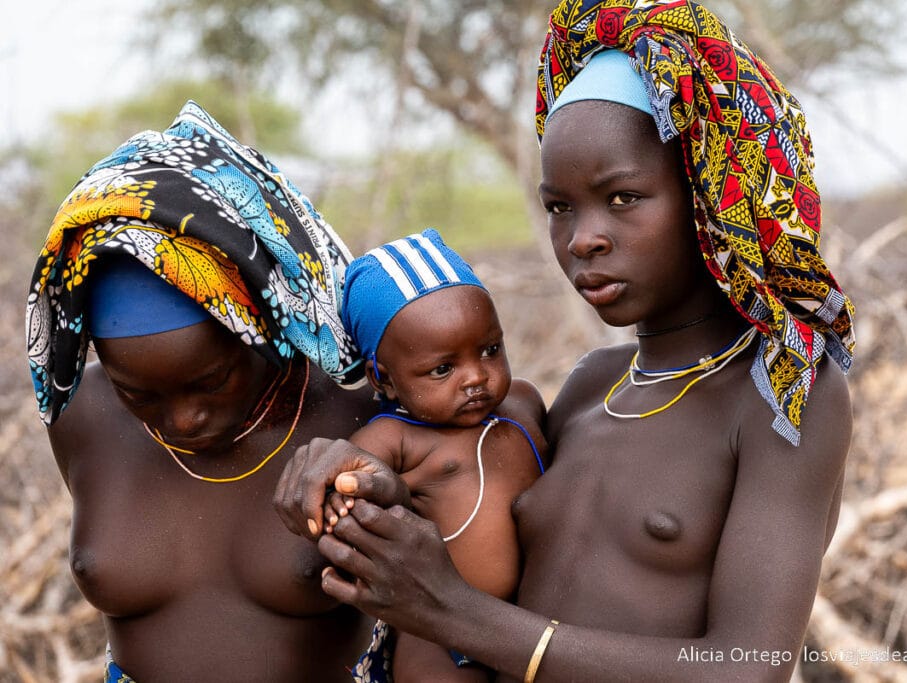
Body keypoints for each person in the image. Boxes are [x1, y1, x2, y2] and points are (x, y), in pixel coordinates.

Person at [275, 1, 856, 680]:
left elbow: (746, 667)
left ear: (708, 190)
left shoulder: (784, 394)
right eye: (559, 207)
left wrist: (453, 611)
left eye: (623, 197)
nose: (582, 239)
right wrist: (355, 477)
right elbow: (458, 501)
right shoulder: (588, 387)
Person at [25, 101, 380, 682]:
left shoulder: (355, 410)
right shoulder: (81, 416)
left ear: (257, 326)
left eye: (210, 382)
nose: (183, 420)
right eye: (137, 394)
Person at [302, 228, 547, 682]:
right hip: (440, 636)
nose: (477, 377)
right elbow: (346, 490)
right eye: (443, 368)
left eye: (490, 350)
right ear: (384, 380)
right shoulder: (394, 439)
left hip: (534, 620)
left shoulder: (524, 404)